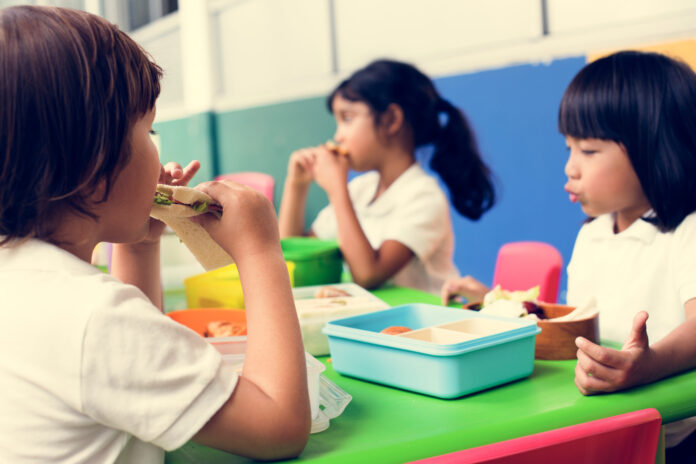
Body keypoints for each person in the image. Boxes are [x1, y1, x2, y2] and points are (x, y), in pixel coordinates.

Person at [0, 6, 309, 463]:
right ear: (95, 166)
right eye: (149, 130)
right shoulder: (96, 319)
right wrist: (261, 249)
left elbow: (125, 371)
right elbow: (279, 425)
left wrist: (142, 244)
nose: (156, 149)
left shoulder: (31, 281)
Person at [558, 51, 696, 460]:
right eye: (568, 148)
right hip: (605, 425)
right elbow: (577, 330)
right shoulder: (592, 235)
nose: (570, 168)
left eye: (588, 150)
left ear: (654, 147)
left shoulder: (685, 231)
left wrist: (649, 365)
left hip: (676, 437)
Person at [278, 59, 496, 294]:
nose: (338, 135)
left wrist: (337, 189)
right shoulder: (360, 189)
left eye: (348, 119)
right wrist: (296, 187)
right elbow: (292, 260)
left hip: (423, 324)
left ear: (391, 119)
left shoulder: (423, 196)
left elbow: (369, 274)